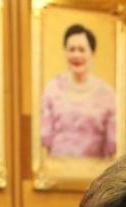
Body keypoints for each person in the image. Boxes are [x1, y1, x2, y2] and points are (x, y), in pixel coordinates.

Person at [40, 23, 116, 159]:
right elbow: (44, 141)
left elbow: (112, 146)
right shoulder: (52, 88)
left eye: (81, 50)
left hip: (96, 169)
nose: (76, 55)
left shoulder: (108, 94)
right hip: (57, 168)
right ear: (65, 53)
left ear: (92, 53)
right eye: (71, 49)